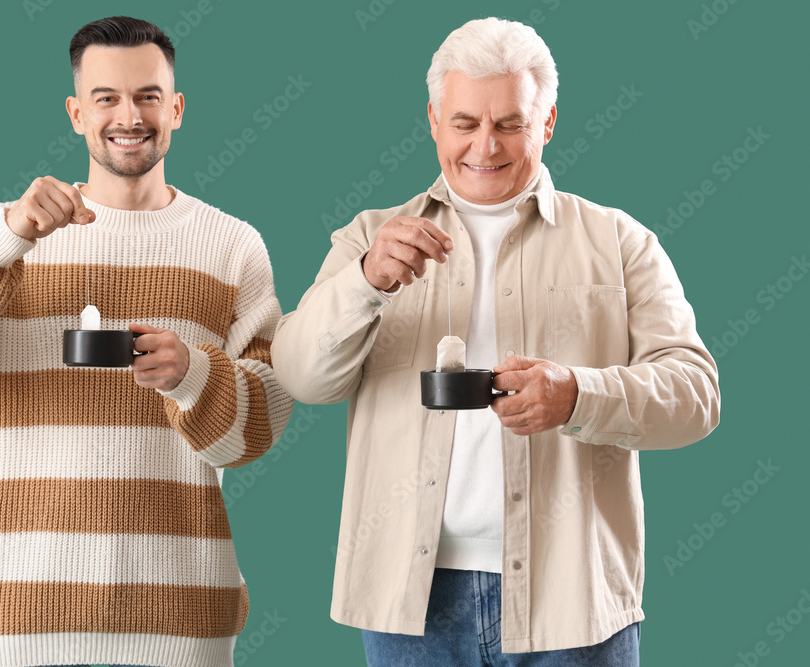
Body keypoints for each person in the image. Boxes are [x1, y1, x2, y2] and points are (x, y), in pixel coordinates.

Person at [271, 16, 719, 666]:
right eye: (465, 123)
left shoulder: (620, 242)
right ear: (433, 120)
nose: (485, 145)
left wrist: (577, 395)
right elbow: (301, 374)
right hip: (411, 604)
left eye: (510, 122)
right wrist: (366, 281)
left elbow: (696, 394)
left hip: (574, 600)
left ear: (549, 122)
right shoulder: (368, 236)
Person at [0, 16, 293, 667]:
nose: (130, 115)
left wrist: (193, 374)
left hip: (182, 616)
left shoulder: (233, 246)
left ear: (176, 108)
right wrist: (6, 233)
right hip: (15, 613)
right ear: (76, 113)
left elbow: (260, 427)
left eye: (148, 95)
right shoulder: (12, 234)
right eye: (107, 98)